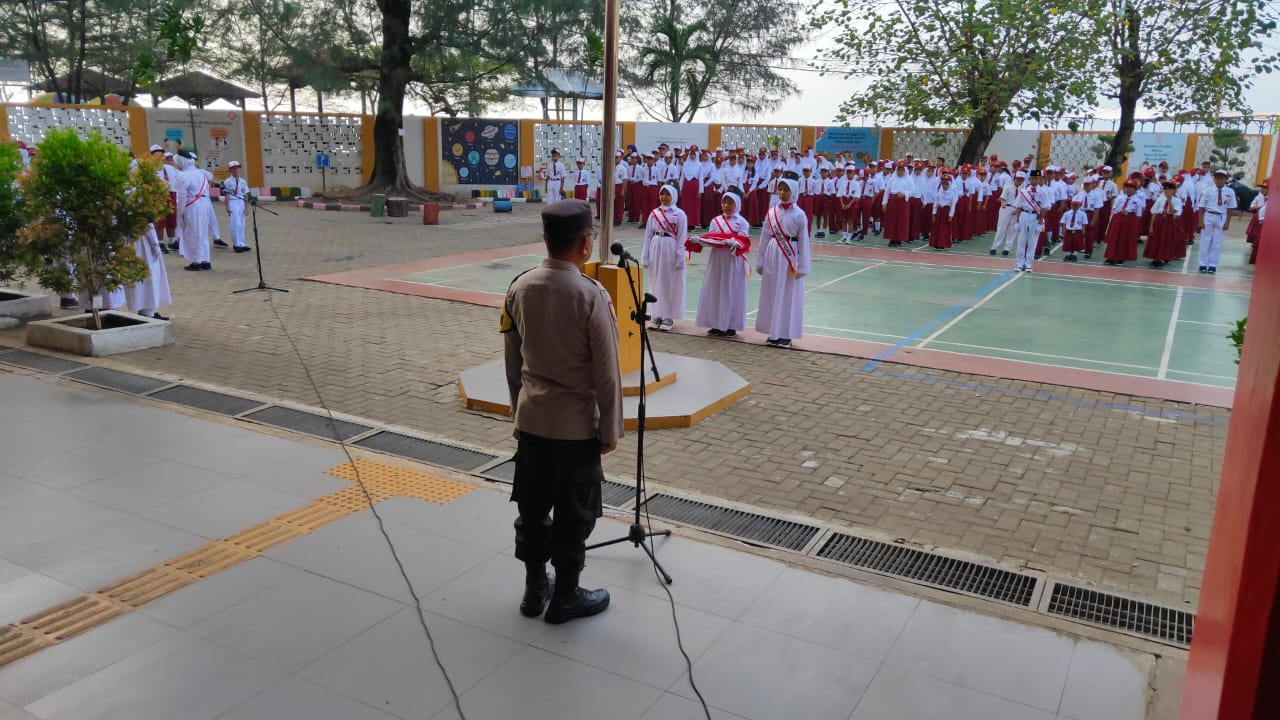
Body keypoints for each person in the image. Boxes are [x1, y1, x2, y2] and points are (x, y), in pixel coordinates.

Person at [502, 199, 621, 625]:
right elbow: (607, 373)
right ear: (585, 245)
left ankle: (535, 591)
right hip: (574, 431)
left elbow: (512, 359)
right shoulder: (592, 295)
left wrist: (519, 410)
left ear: (547, 240)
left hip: (532, 422)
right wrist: (609, 427)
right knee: (575, 514)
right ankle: (566, 595)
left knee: (532, 510)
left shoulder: (519, 287)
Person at [756, 174, 810, 348]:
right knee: (772, 292)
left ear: (794, 191)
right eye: (780, 189)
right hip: (772, 253)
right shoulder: (772, 211)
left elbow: (803, 241)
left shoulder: (800, 215)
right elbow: (764, 236)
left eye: (786, 189)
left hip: (790, 256)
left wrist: (802, 265)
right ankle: (774, 331)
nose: (782, 192)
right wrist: (760, 259)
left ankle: (785, 334)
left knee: (787, 295)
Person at [691, 192, 751, 337]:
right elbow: (711, 238)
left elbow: (744, 240)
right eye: (724, 203)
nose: (727, 206)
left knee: (731, 290)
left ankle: (730, 325)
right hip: (717, 258)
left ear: (737, 205)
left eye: (730, 203)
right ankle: (716, 323)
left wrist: (735, 242)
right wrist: (699, 240)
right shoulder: (716, 221)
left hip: (732, 259)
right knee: (715, 289)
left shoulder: (741, 222)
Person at [641, 185, 688, 331]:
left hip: (670, 248)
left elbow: (682, 238)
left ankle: (668, 317)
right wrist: (645, 255)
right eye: (662, 194)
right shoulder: (654, 213)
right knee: (656, 281)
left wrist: (680, 257)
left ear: (673, 196)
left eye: (667, 194)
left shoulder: (679, 215)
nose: (664, 197)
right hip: (656, 245)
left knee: (669, 282)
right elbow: (648, 235)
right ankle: (657, 314)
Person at [175, 150, 213, 271]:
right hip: (205, 204)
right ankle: (206, 261)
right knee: (203, 233)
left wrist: (180, 213)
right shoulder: (201, 174)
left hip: (192, 206)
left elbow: (181, 196)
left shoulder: (183, 175)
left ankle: (197, 262)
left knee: (193, 233)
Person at [125, 223, 172, 319]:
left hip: (134, 241)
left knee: (144, 278)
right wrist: (155, 245)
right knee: (150, 276)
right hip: (143, 242)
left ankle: (146, 310)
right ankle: (148, 312)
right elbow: (146, 225)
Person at [1197, 169, 1236, 274]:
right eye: (1217, 178)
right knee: (1205, 241)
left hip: (1221, 217)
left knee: (1217, 242)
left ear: (1226, 179)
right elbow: (1201, 207)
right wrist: (1201, 221)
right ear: (1214, 179)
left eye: (1222, 178)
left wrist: (1228, 222)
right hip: (1209, 215)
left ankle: (1213, 264)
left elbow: (1230, 208)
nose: (1219, 180)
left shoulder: (1230, 192)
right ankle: (1203, 263)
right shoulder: (1208, 191)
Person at [1011, 170, 1046, 272]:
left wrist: (1040, 223)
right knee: (1021, 240)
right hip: (1024, 215)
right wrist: (1017, 221)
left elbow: (1044, 208)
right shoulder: (1023, 192)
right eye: (1032, 178)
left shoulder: (1043, 192)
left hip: (1035, 217)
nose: (1034, 180)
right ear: (1029, 179)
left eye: (1036, 178)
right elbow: (1018, 206)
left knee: (1032, 242)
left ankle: (1029, 264)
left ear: (1039, 179)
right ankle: (1019, 263)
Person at [1104, 179, 1144, 266]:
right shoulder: (1120, 198)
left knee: (1125, 239)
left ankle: (1121, 258)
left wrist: (1129, 212)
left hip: (1130, 221)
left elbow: (1138, 214)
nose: (1128, 189)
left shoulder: (1138, 201)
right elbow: (1114, 209)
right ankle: (1111, 257)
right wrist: (1120, 211)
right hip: (1118, 219)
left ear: (1135, 189)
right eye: (1127, 187)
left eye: (1131, 187)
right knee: (1115, 238)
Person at [1144, 181, 1183, 269]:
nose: (1166, 191)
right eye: (1165, 189)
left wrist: (1169, 200)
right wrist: (1151, 226)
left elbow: (1173, 212)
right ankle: (1155, 258)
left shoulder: (1177, 201)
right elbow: (1154, 212)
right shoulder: (1160, 199)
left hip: (1169, 220)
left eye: (1169, 189)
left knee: (1165, 240)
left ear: (1174, 190)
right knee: (1156, 239)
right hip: (1159, 219)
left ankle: (1162, 258)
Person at [222, 161, 252, 253]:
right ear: (230, 170)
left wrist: (246, 208)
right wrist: (227, 207)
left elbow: (245, 195)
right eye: (234, 168)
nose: (236, 170)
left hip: (241, 203)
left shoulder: (243, 181)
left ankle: (242, 243)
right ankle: (236, 244)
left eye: (238, 168)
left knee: (242, 224)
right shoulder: (227, 181)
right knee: (236, 224)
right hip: (233, 202)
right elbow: (227, 195)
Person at [930, 171, 959, 250]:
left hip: (946, 213)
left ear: (949, 184)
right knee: (937, 228)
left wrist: (950, 216)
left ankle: (942, 244)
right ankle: (936, 243)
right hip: (939, 212)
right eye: (943, 184)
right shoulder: (939, 193)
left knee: (944, 229)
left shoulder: (952, 194)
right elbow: (935, 205)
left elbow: (953, 206)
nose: (944, 186)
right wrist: (933, 214)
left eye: (946, 184)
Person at [1059, 198, 1088, 262]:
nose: (1074, 206)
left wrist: (1083, 230)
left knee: (1076, 243)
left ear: (1079, 206)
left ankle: (1074, 254)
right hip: (1069, 230)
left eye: (1076, 205)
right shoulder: (1067, 213)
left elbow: (1084, 223)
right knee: (1068, 243)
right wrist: (1063, 229)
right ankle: (1068, 254)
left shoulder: (1083, 214)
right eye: (1073, 205)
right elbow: (1063, 222)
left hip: (1077, 230)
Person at [1246, 179, 1268, 264]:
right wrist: (1259, 206)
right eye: (1262, 187)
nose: (1262, 189)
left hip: (1265, 219)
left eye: (1265, 188)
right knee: (1256, 236)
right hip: (1258, 217)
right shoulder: (1259, 196)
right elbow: (1251, 207)